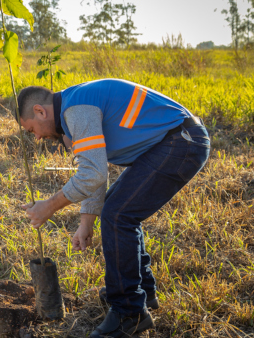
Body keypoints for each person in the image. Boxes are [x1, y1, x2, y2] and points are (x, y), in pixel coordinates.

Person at [17, 79, 210, 338]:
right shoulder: (73, 108)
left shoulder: (76, 110)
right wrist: (86, 222)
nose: (38, 138)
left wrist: (49, 206)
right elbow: (96, 167)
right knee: (118, 211)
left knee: (119, 215)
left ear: (40, 111)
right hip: (171, 142)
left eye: (32, 130)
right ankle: (143, 292)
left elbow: (93, 174)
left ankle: (129, 312)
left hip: (181, 142)